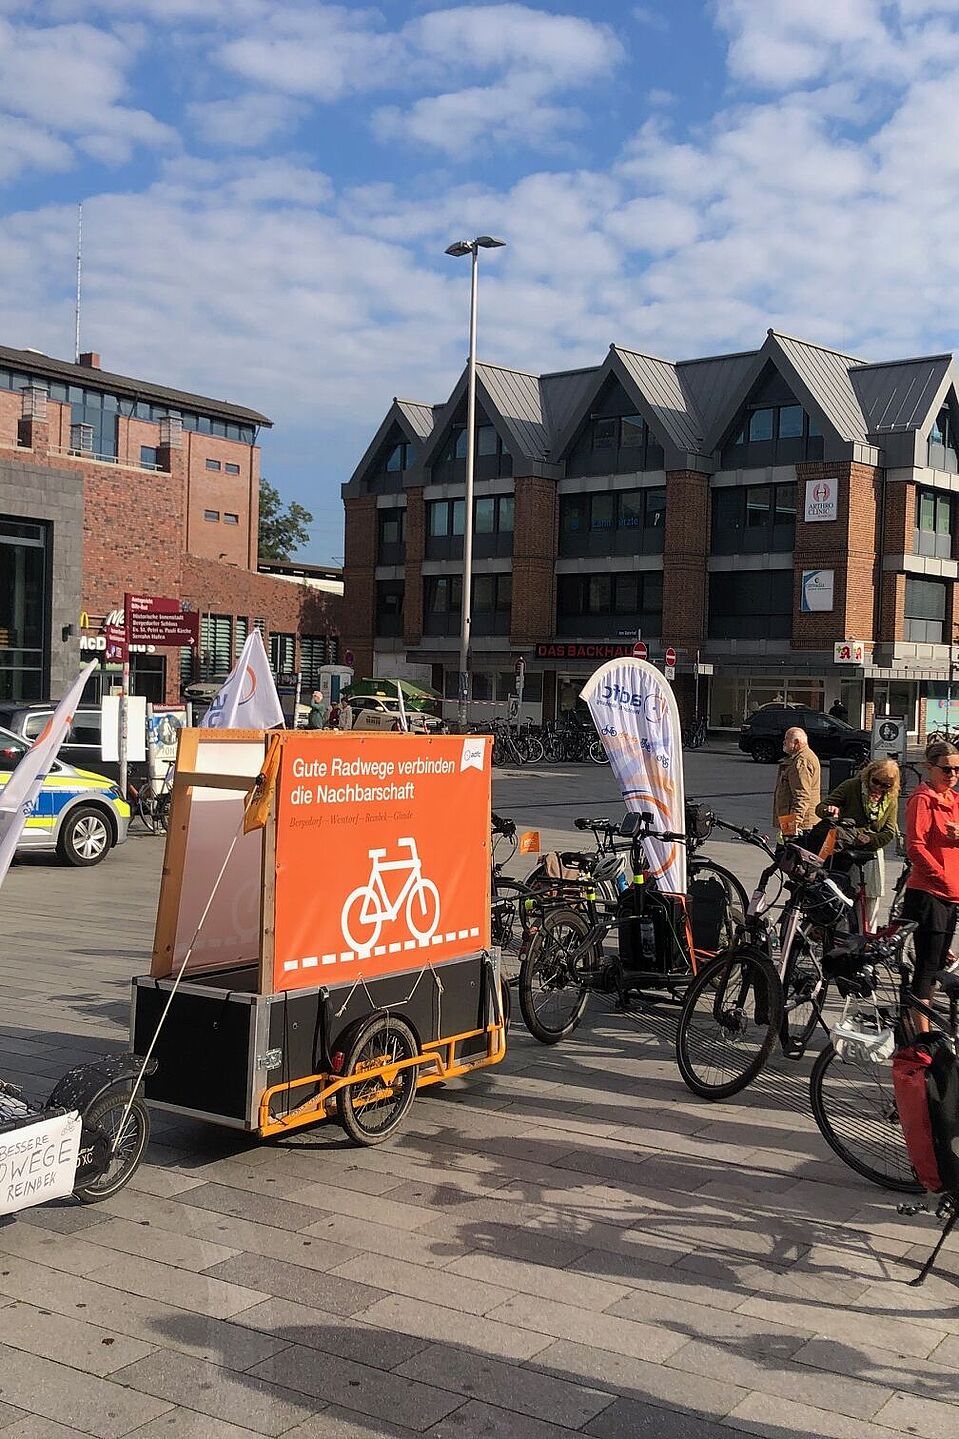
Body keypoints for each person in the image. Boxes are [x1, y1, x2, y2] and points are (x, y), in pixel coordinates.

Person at [902, 739, 959, 1029]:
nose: (952, 775)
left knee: (937, 966)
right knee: (926, 967)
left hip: (951, 895)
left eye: (957, 770)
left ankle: (921, 1024)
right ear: (929, 768)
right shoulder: (922, 799)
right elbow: (915, 846)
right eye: (946, 769)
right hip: (929, 893)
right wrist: (940, 875)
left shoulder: (955, 800)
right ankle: (921, 1038)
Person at [815, 758, 899, 929]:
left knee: (870, 899)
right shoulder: (852, 786)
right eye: (875, 781)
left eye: (885, 785)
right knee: (844, 896)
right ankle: (839, 938)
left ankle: (866, 940)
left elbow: (889, 832)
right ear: (869, 774)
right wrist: (830, 810)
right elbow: (821, 807)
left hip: (871, 855)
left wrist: (871, 839)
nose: (878, 788)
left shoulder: (891, 798)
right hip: (845, 852)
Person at [773, 726, 821, 835]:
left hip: (802, 826)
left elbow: (802, 796)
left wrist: (792, 826)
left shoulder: (802, 761)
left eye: (787, 739)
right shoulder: (799, 758)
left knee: (789, 851)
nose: (783, 742)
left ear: (797, 742)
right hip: (795, 822)